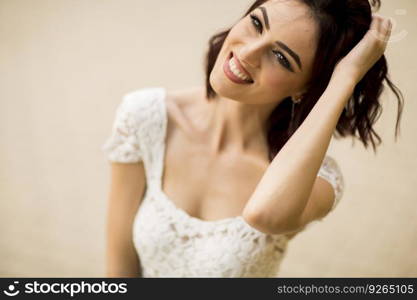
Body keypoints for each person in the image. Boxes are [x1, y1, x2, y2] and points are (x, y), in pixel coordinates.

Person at [102, 0, 404, 277]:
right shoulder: (146, 118)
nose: (246, 54)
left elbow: (265, 216)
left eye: (281, 57)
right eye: (257, 23)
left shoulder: (318, 181)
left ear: (305, 88)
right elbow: (119, 266)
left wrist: (345, 78)